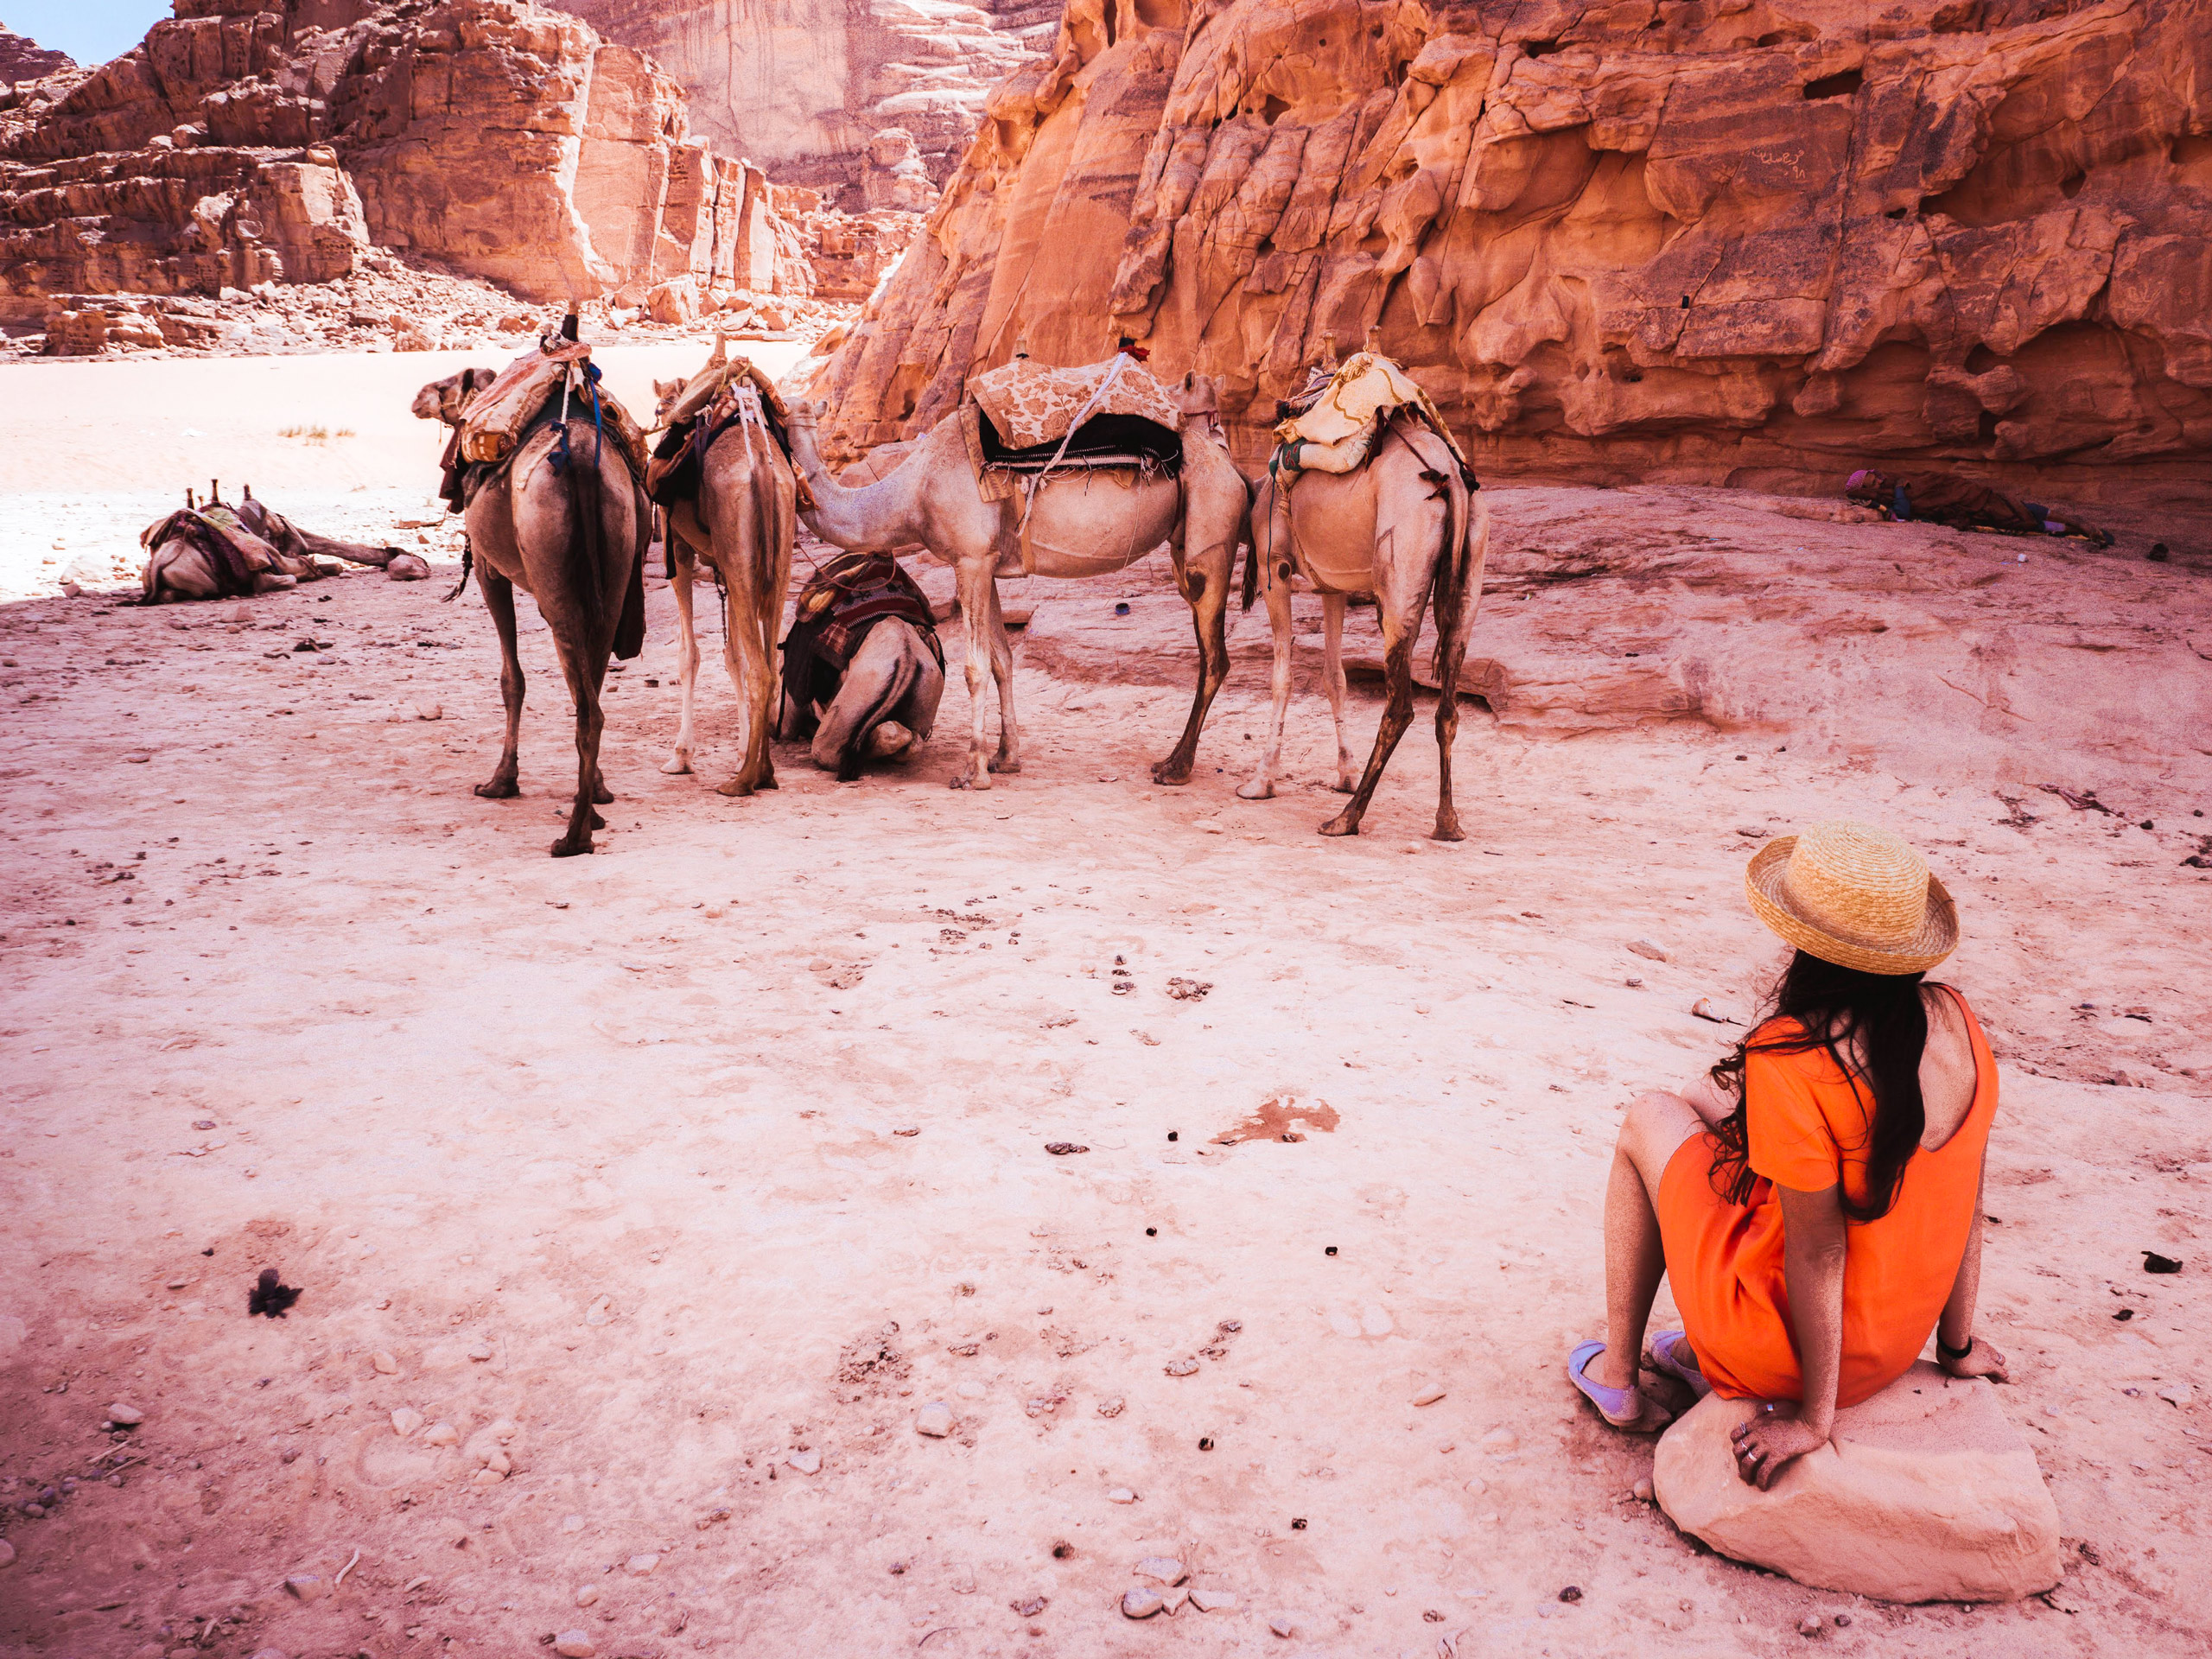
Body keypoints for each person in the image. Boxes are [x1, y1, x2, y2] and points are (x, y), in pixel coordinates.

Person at [1569, 820, 2011, 1489]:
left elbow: (1819, 1251)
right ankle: (1688, 1352)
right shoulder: (1956, 1017)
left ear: (1803, 938)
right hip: (1893, 1341)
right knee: (1697, 1098)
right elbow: (1968, 1195)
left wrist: (1813, 1421)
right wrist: (1956, 1347)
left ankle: (1619, 1380)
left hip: (1790, 1356)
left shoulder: (1794, 1051)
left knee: (1648, 1116)